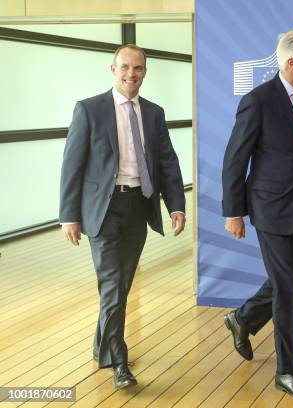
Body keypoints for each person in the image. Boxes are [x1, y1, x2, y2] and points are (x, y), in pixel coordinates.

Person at [59, 44, 186, 390]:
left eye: (138, 69)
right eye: (125, 68)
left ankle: (101, 345)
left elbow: (167, 162)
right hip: (103, 210)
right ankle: (118, 361)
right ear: (112, 69)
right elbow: (72, 165)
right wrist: (68, 215)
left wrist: (176, 205)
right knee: (114, 286)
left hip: (138, 207)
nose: (132, 74)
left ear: (145, 72)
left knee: (120, 285)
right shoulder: (89, 109)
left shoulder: (154, 113)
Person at [221, 30, 293, 400]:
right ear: (292, 62)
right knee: (288, 285)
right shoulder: (258, 101)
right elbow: (234, 161)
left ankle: (242, 319)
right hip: (269, 206)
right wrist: (233, 212)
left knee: (287, 279)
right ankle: (289, 371)